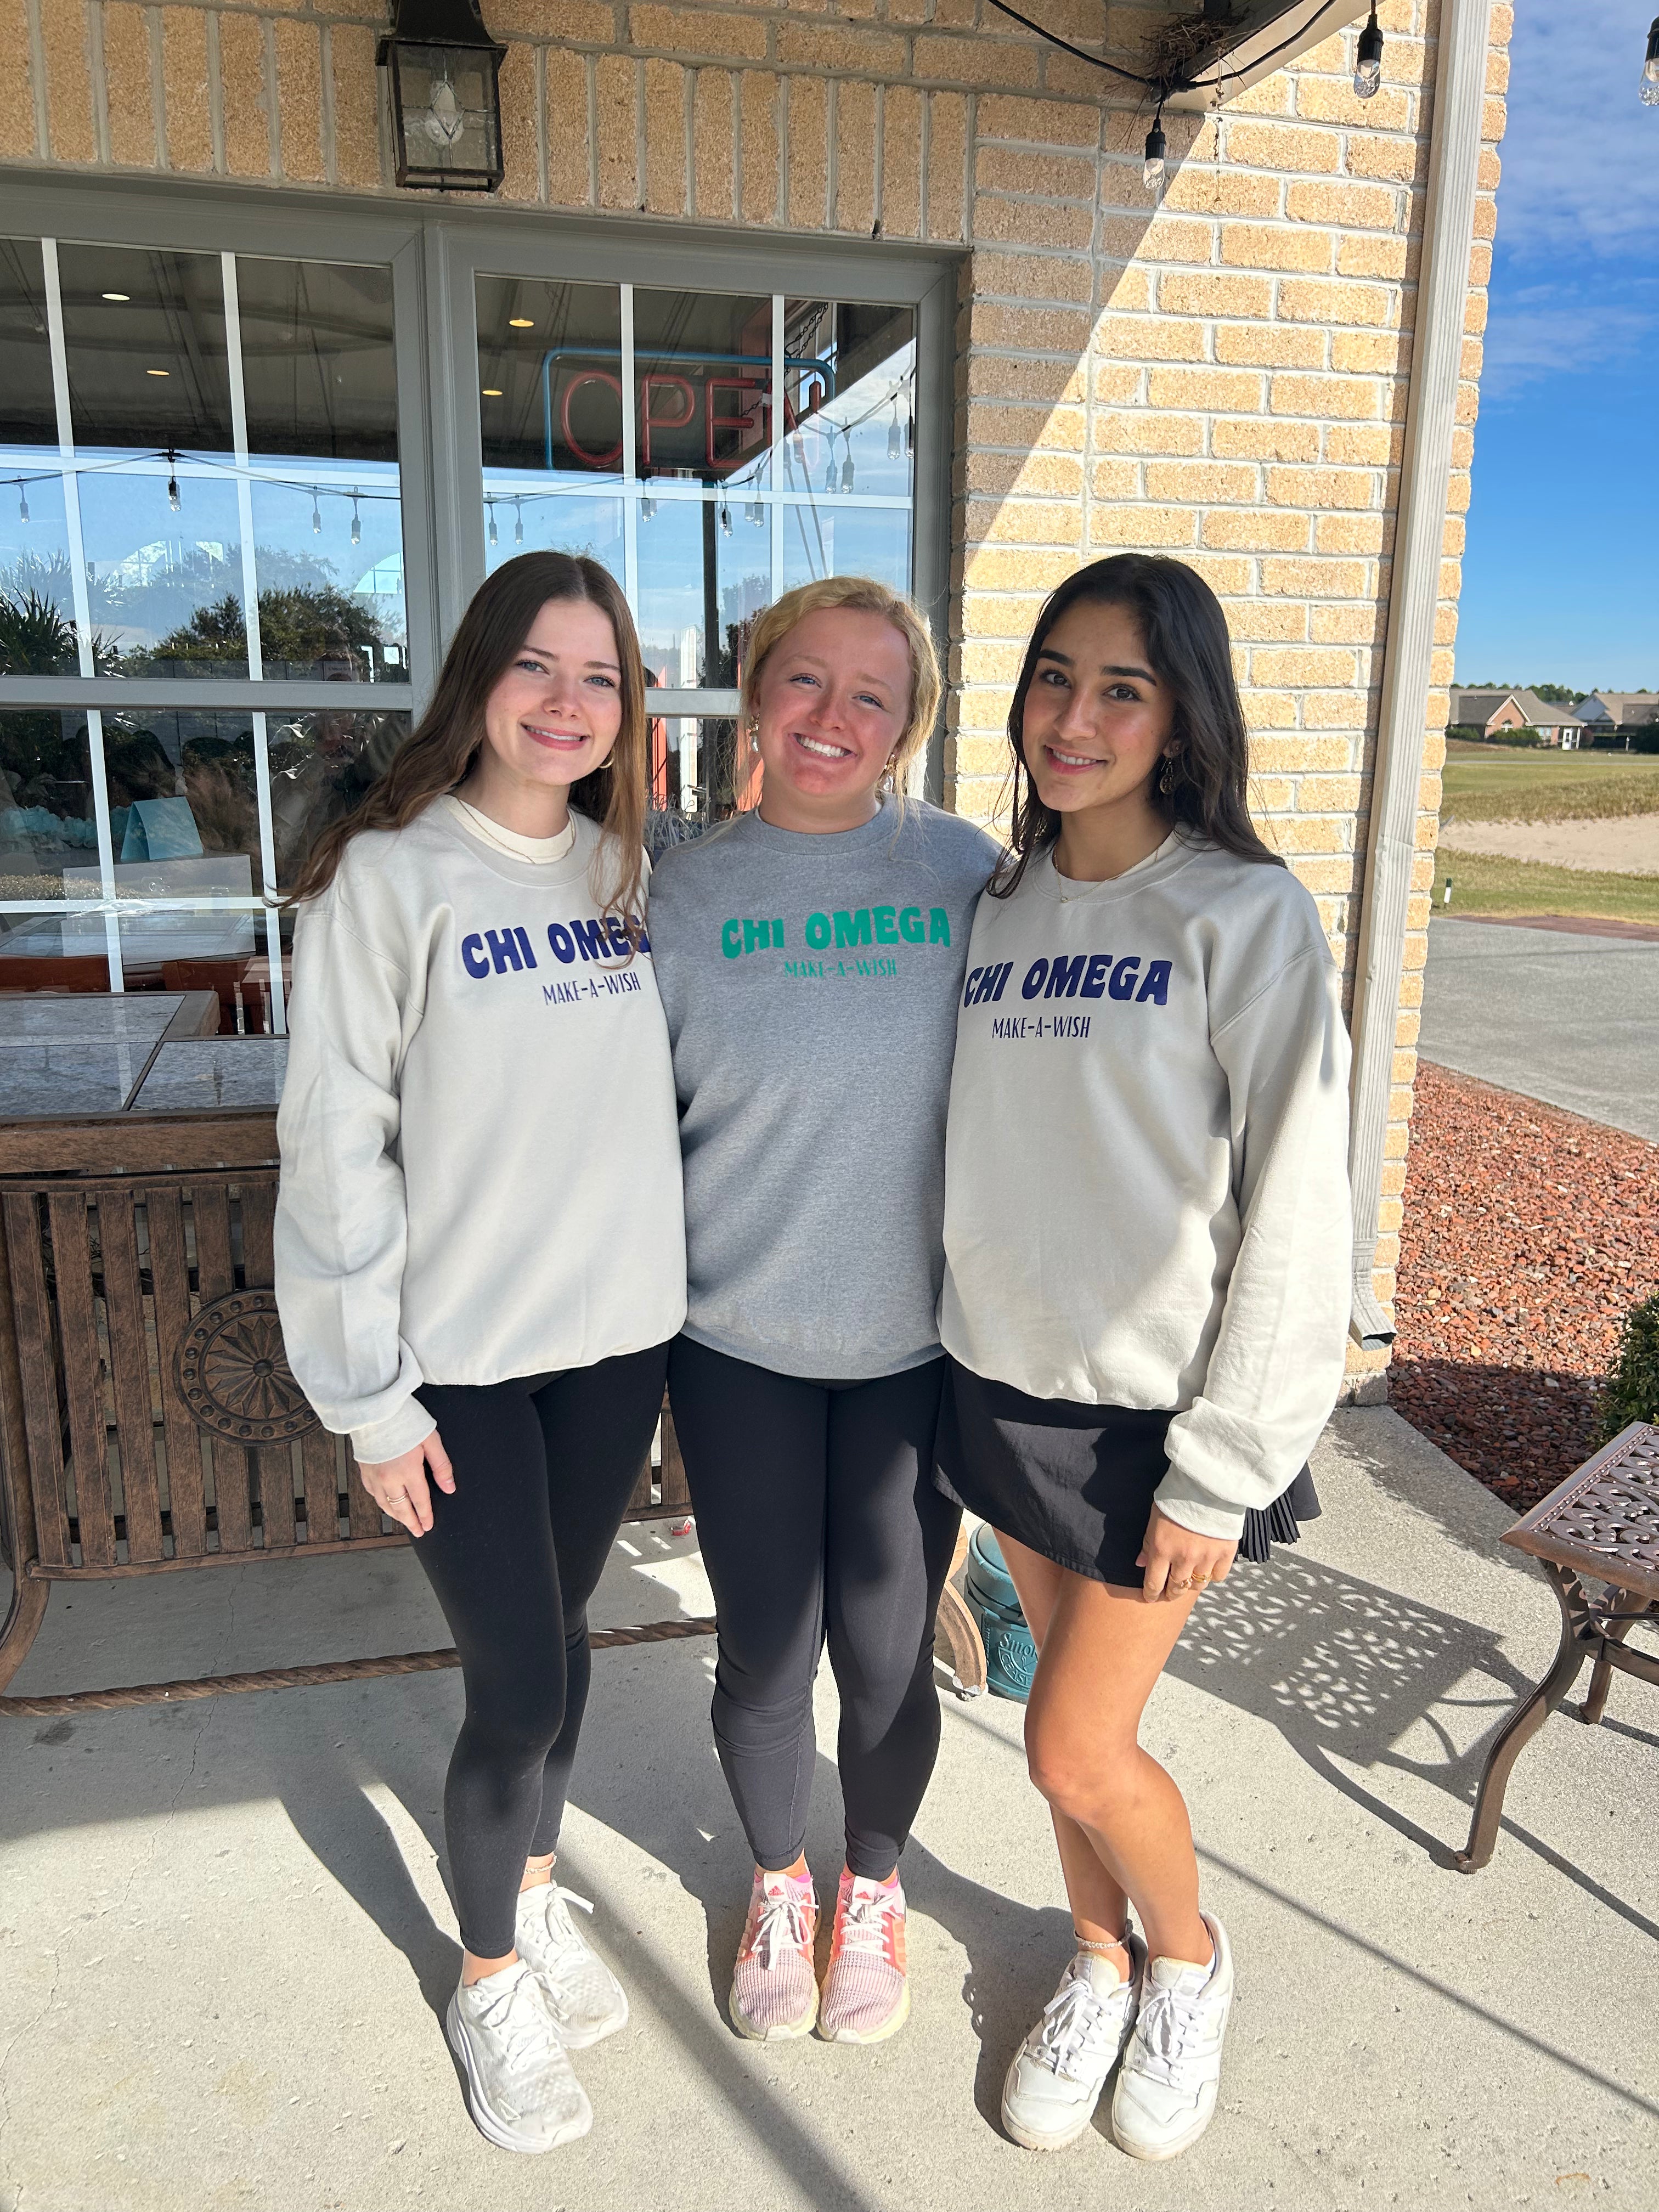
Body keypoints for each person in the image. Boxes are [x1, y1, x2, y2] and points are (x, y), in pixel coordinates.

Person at [935, 554, 1352, 2163]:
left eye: (1122, 688)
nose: (1075, 716)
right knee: (1065, 1743)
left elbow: (1300, 1209)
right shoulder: (1000, 906)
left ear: (1183, 718)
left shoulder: (1244, 912)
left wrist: (1227, 1466)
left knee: (1073, 1743)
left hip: (1159, 1424)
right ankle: (1095, 1961)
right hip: (1004, 1387)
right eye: (1055, 676)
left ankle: (1187, 1961)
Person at [274, 552, 686, 2156]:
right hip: (458, 1362)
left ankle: (529, 1881)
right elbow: (334, 1148)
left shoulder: (627, 875)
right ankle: (488, 1976)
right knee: (516, 1683)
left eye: (600, 677)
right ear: (478, 681)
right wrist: (368, 1398)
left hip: (612, 1349)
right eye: (535, 667)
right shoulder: (390, 878)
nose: (567, 703)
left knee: (564, 1645)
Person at [648, 576, 998, 2047]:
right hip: (736, 1342)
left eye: (873, 694)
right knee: (764, 1650)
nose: (833, 716)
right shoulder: (678, 891)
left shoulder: (967, 872)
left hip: (915, 1348)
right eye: (805, 680)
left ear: (909, 724)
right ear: (754, 694)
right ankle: (779, 1883)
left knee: (887, 1647)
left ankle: (875, 1883)